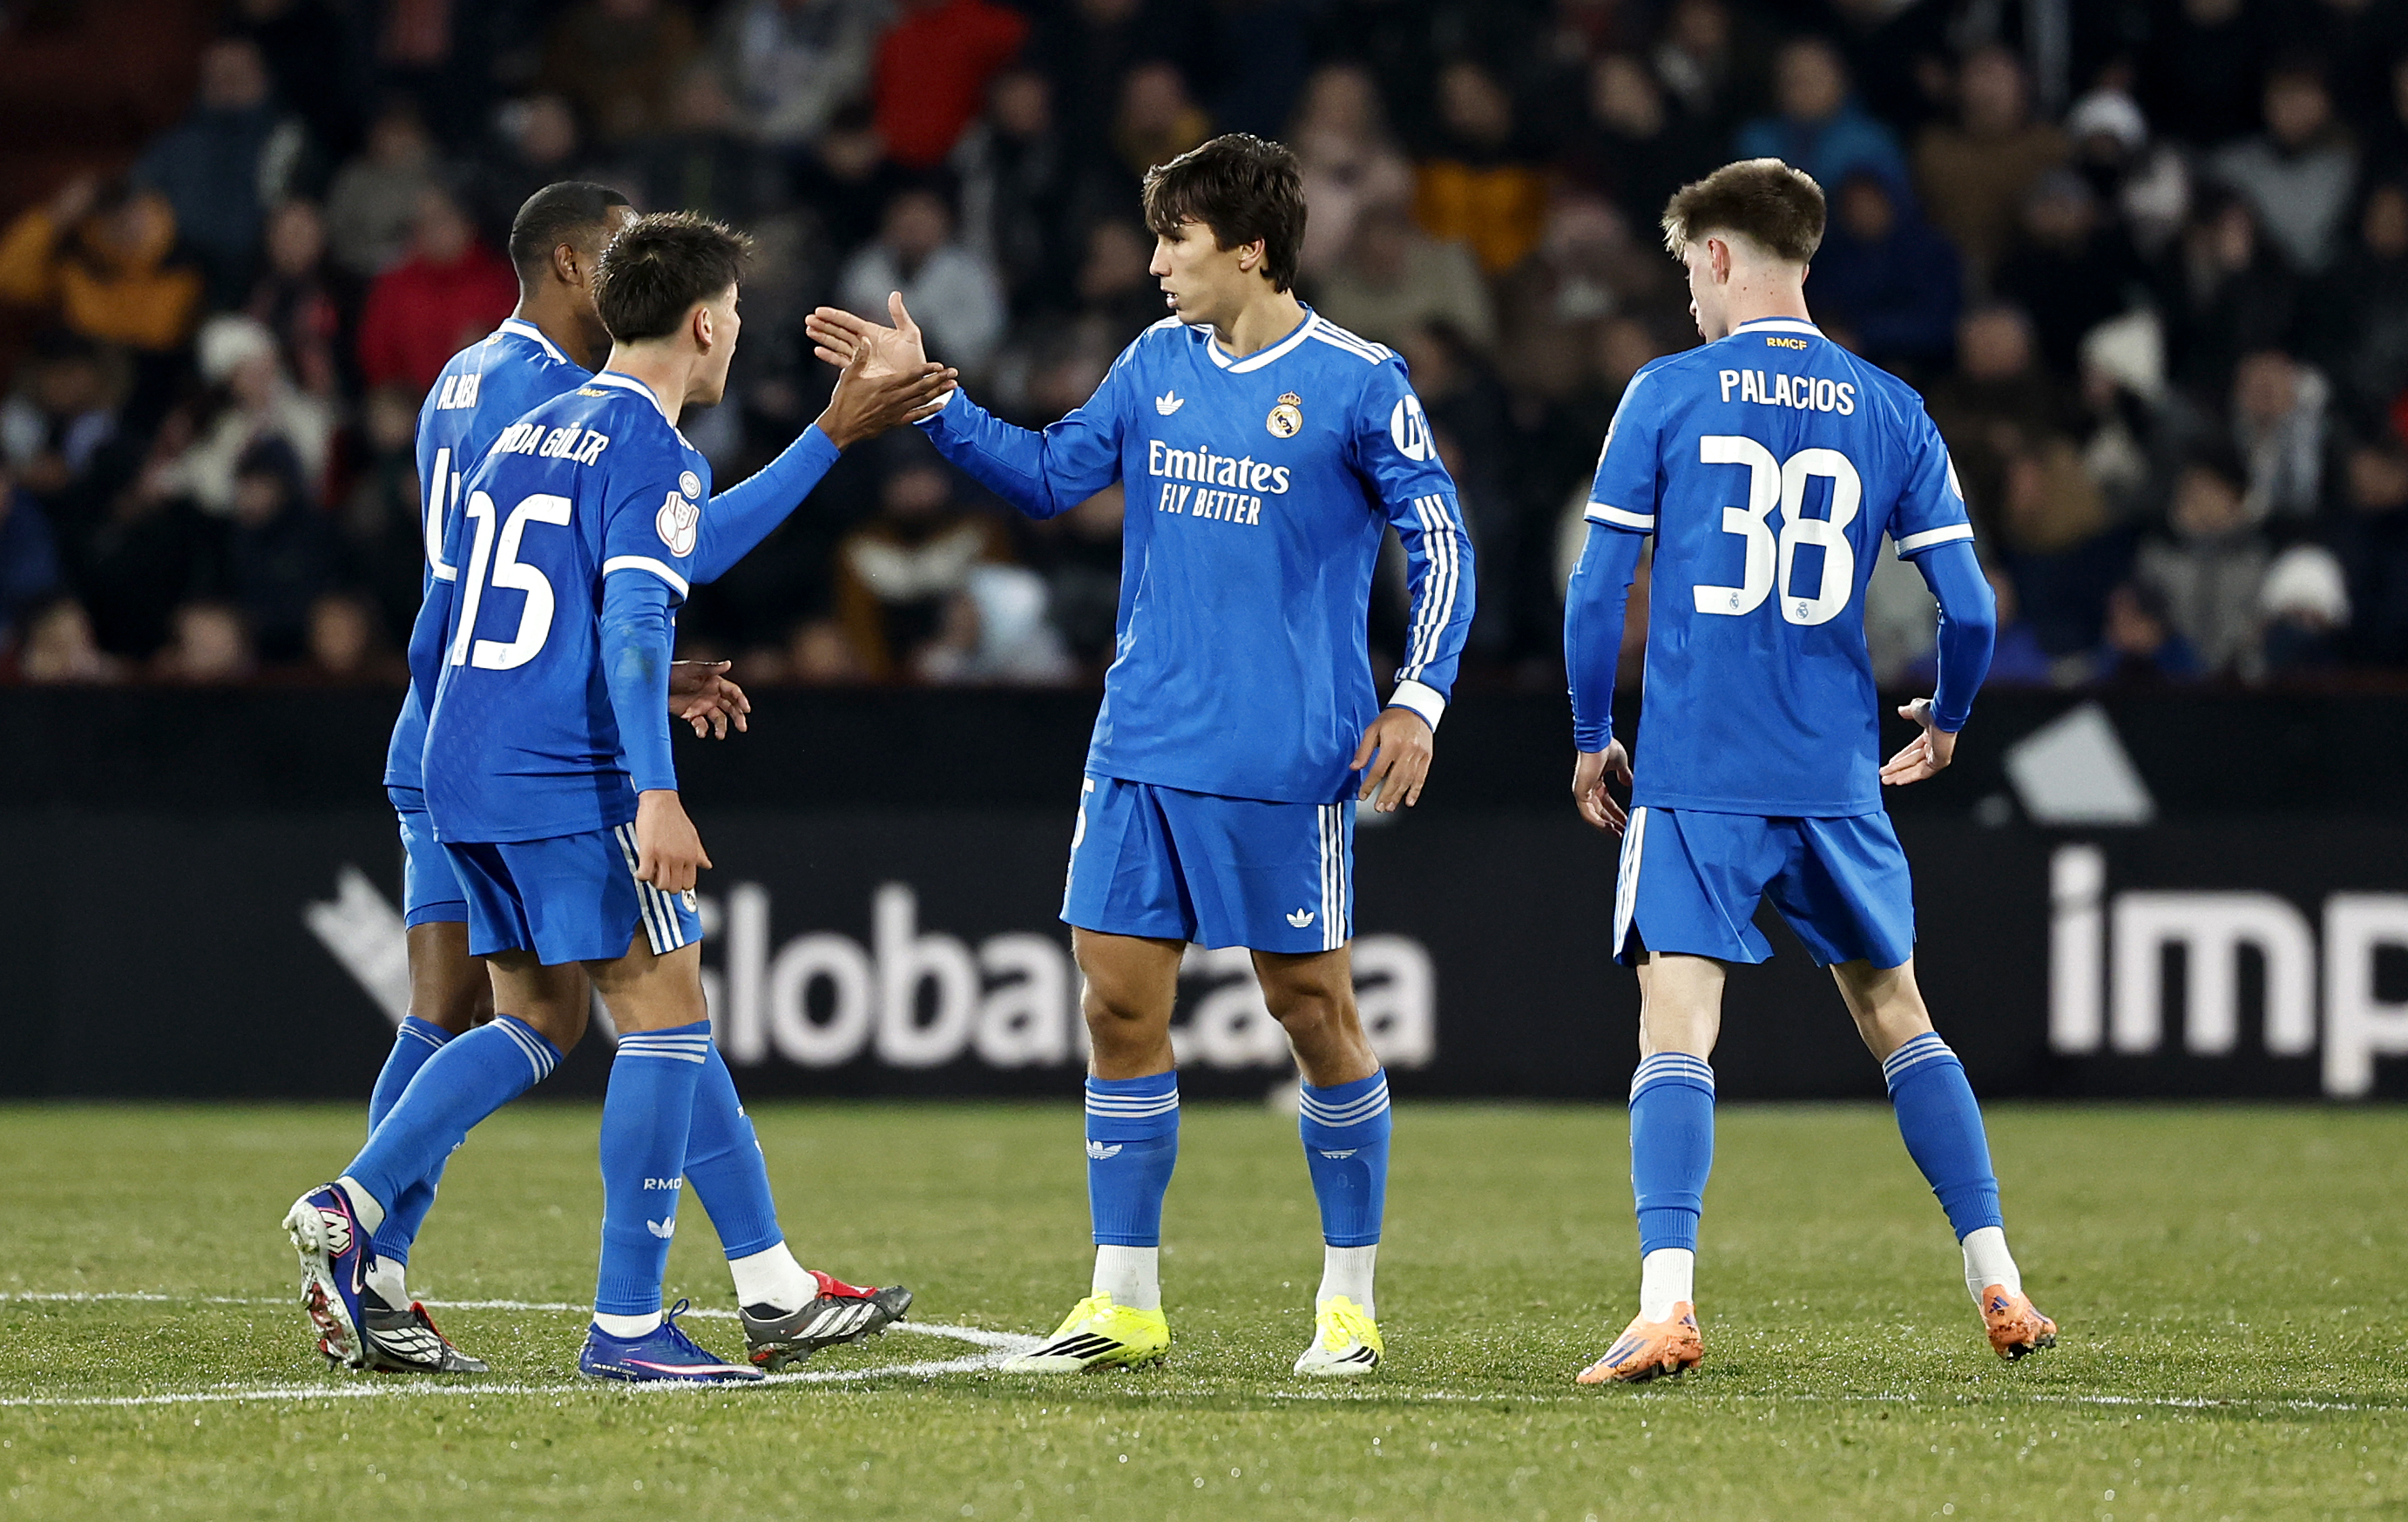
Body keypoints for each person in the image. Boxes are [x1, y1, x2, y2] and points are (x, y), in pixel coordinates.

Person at [808, 133, 1475, 1377]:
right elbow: (1054, 476)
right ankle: (1123, 1301)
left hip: (1285, 754)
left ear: (1251, 249)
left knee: (1309, 1010)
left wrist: (1419, 696)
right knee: (1116, 1003)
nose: (1157, 261)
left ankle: (1348, 1304)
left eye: (1178, 239)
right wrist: (935, 401)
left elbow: (1441, 542)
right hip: (1139, 745)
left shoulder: (1359, 380)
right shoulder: (1155, 363)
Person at [283, 196, 957, 1378]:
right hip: (567, 772)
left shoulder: (526, 427)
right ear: (703, 326)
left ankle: (357, 1206)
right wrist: (653, 789)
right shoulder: (652, 446)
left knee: (534, 1020)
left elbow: (443, 619)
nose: (740, 331)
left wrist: (472, 743)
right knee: (667, 1019)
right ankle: (631, 1323)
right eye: (738, 312)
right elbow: (644, 614)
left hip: (460, 758)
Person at [1560, 158, 2053, 1384]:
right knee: (1901, 1019)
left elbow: (1593, 591)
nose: (1687, 297)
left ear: (1721, 255)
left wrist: (1587, 731)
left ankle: (1666, 1303)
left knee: (1678, 1025)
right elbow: (1973, 609)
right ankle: (1998, 1276)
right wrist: (1949, 716)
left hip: (1698, 773)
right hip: (1836, 776)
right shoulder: (1890, 406)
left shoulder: (1666, 394)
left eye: (1687, 270)